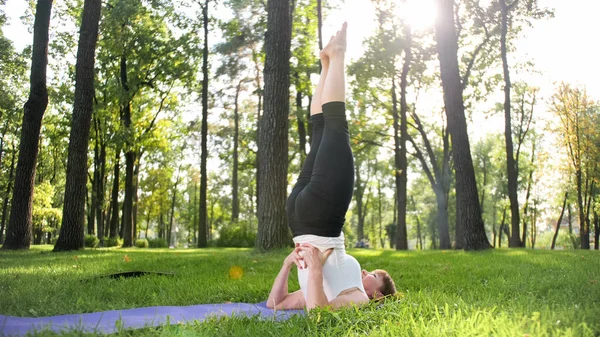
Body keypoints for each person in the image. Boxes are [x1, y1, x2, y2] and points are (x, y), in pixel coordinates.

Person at [266, 22, 396, 311]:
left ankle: (337, 55)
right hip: (301, 216)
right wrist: (290, 265)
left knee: (336, 127)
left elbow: (318, 313)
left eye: (374, 276)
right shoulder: (346, 285)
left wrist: (303, 267)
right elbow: (276, 304)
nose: (366, 272)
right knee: (322, 130)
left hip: (319, 219)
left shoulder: (358, 299)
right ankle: (326, 63)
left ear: (377, 295)